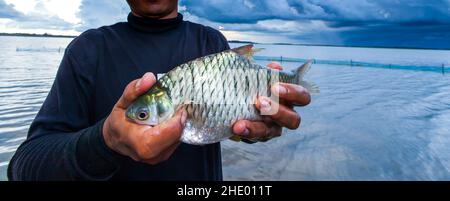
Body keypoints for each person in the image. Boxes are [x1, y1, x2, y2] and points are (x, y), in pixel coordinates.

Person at [8, 0, 311, 180]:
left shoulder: (211, 43)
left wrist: (257, 127)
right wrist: (107, 141)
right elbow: (23, 167)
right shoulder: (88, 50)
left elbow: (233, 124)